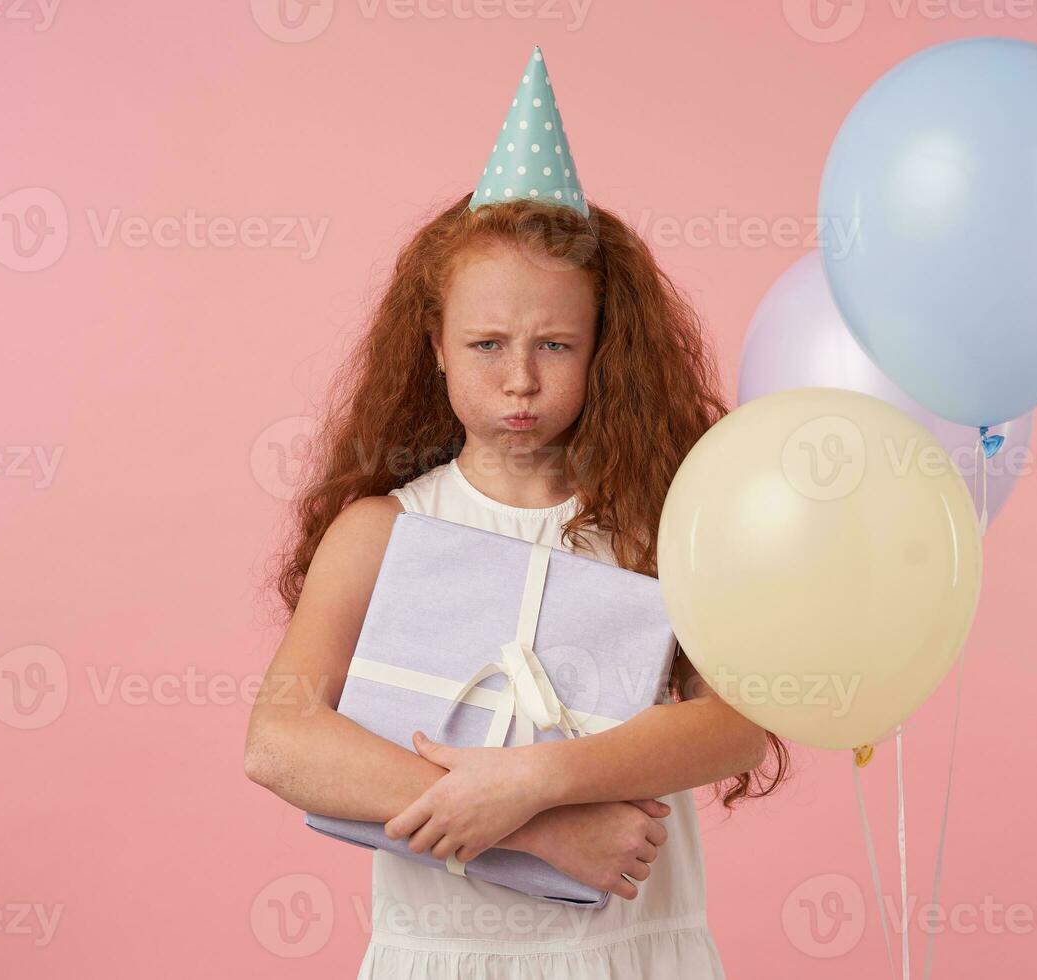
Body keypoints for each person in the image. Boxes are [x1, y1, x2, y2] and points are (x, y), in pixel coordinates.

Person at [245, 45, 788, 978]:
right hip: (447, 956)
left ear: (605, 350)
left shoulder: (659, 526)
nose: (522, 378)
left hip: (631, 955)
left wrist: (537, 779)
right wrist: (538, 832)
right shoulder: (386, 531)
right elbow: (281, 738)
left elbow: (737, 723)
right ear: (436, 348)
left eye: (557, 344)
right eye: (487, 343)